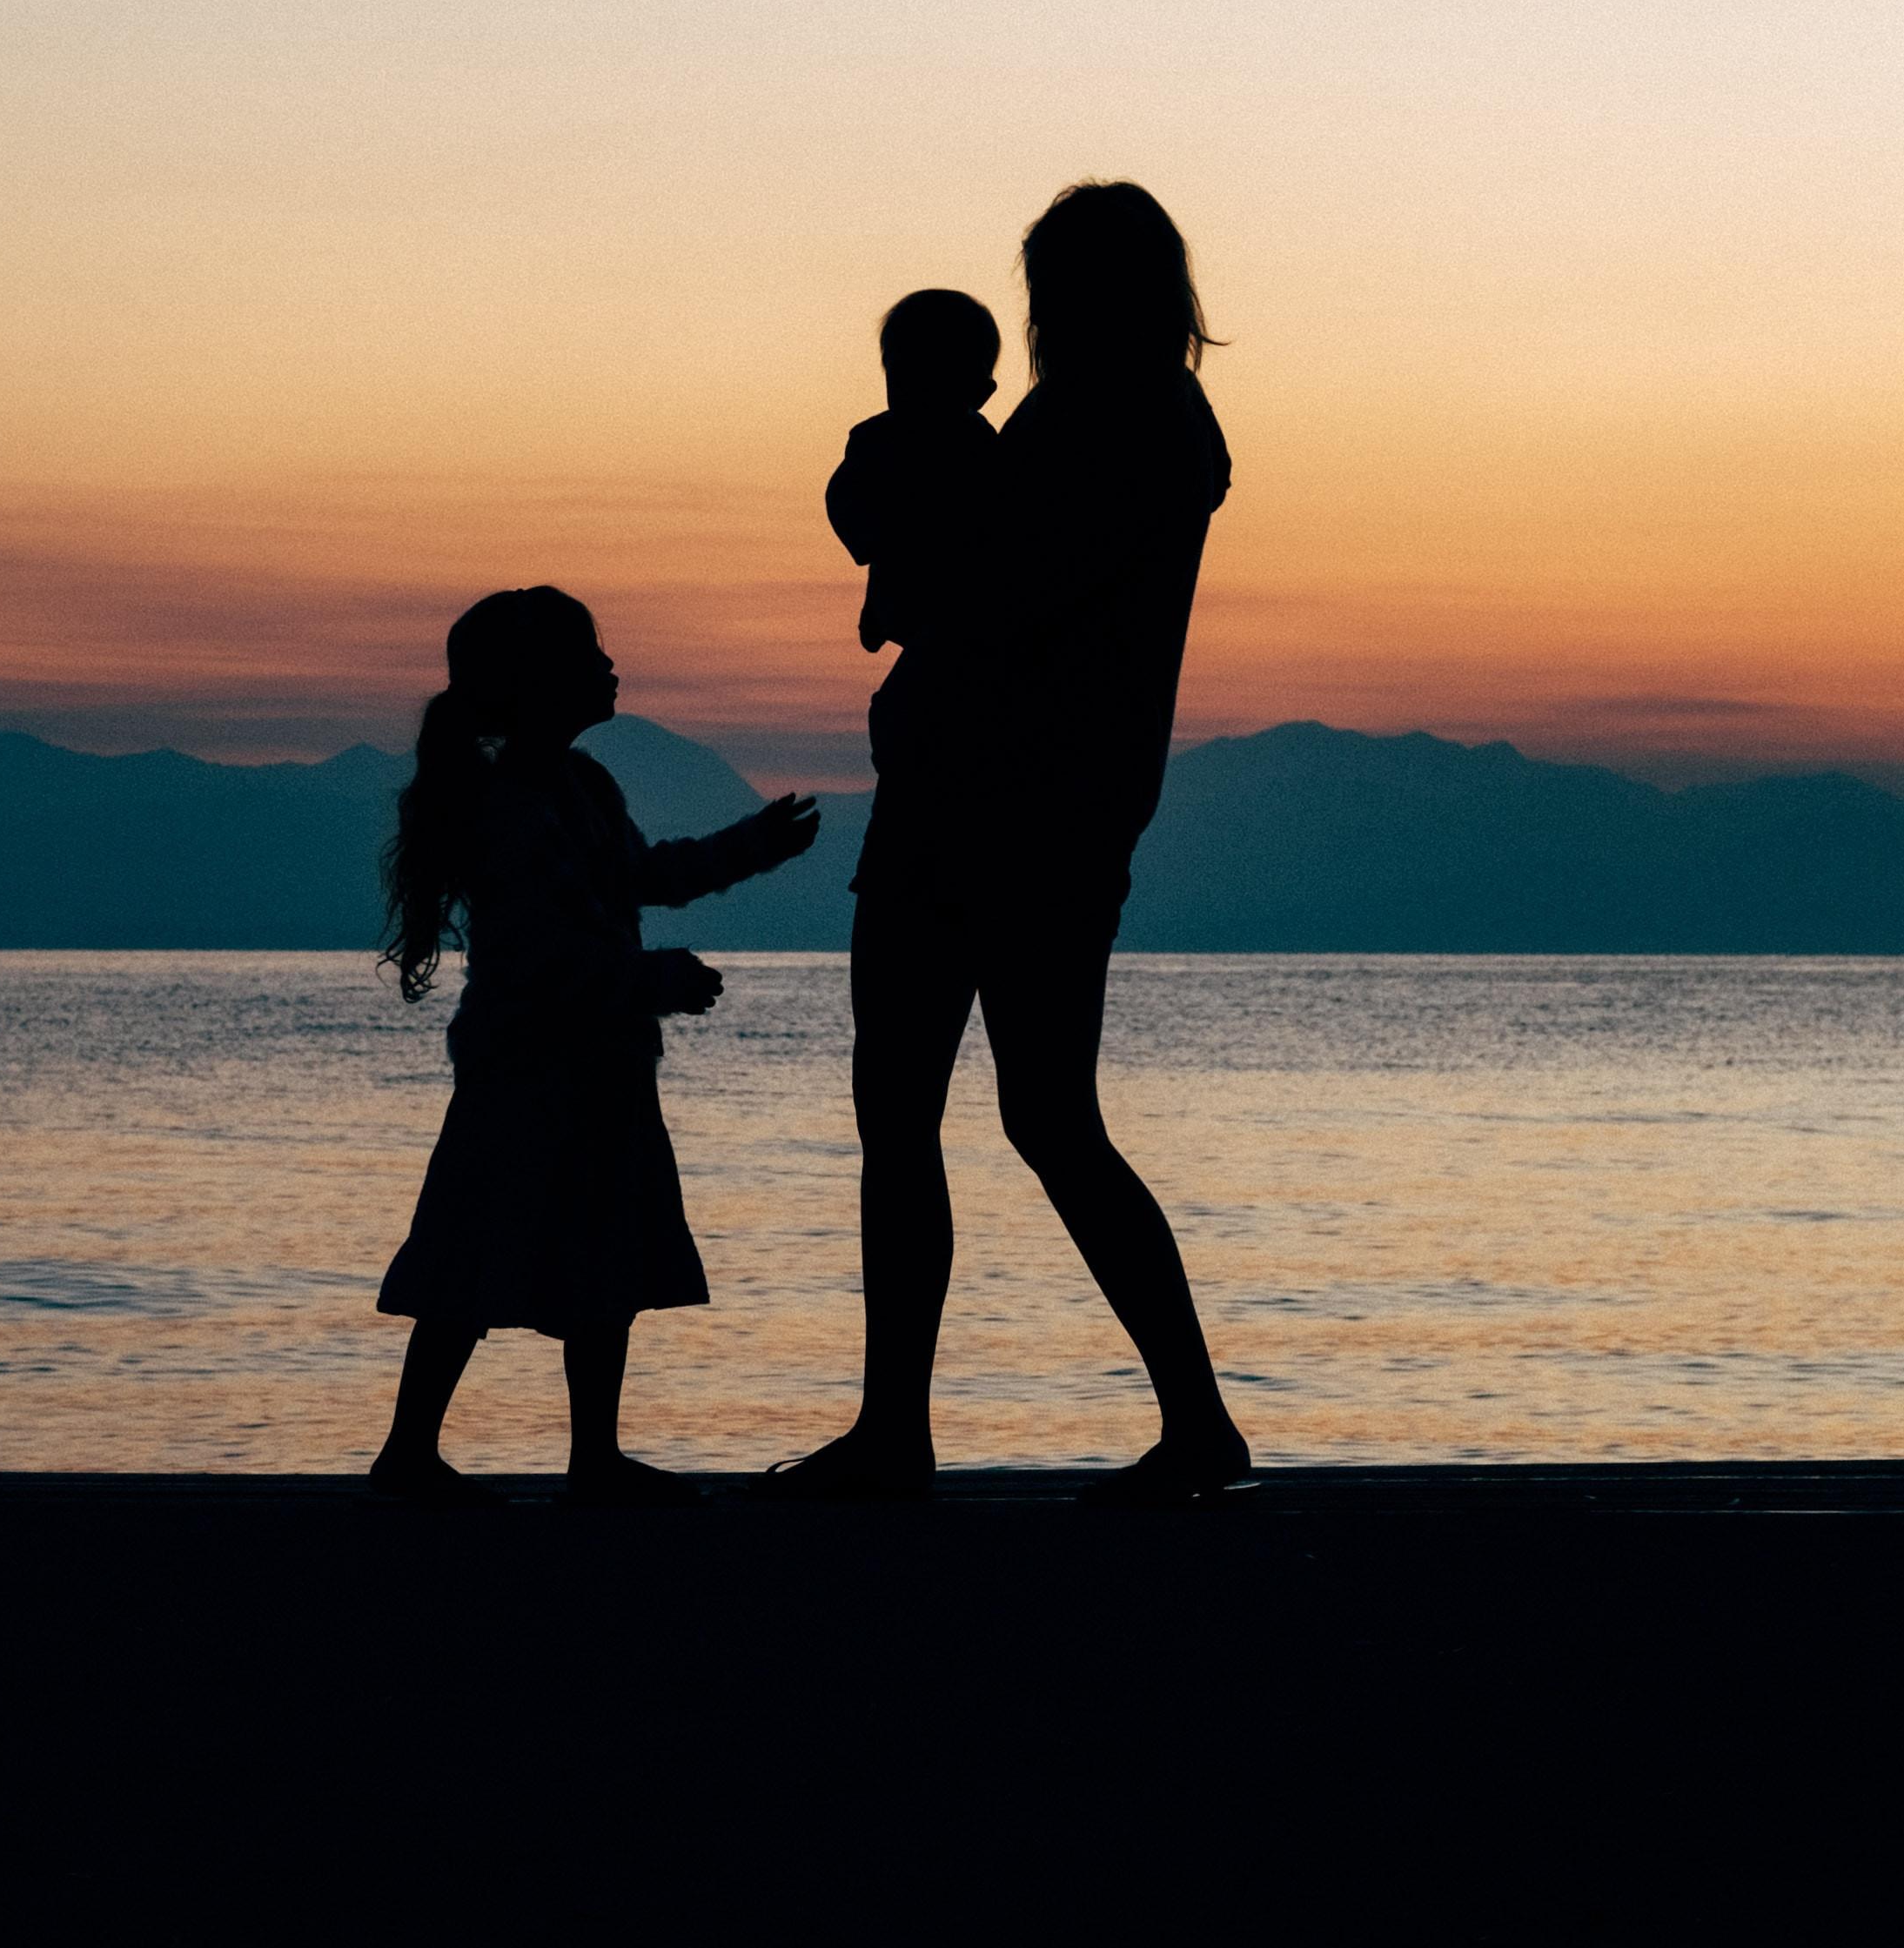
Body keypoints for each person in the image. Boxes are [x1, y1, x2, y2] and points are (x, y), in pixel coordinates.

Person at [763, 180, 1251, 1505]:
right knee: (941, 1114)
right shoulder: (1083, 415)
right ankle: (901, 1429)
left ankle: (1166, 1423)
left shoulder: (1135, 422)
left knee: (1014, 1116)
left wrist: (909, 558)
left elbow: (1000, 590)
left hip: (1024, 809)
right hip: (991, 802)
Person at [372, 586, 820, 1504]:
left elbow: (641, 875)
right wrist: (649, 982)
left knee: (599, 1256)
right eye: (589, 654)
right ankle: (410, 1450)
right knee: (472, 1257)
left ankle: (594, 1455)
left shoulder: (581, 788)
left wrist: (751, 846)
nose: (611, 667)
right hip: (526, 1073)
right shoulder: (509, 810)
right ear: (537, 682)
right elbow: (541, 958)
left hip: (601, 1069)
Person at [826, 289, 1003, 659]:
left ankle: (881, 610)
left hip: (955, 602)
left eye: (934, 381)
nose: (916, 394)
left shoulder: (978, 446)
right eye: (902, 377)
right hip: (914, 590)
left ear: (980, 393)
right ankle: (878, 609)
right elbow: (844, 497)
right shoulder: (876, 439)